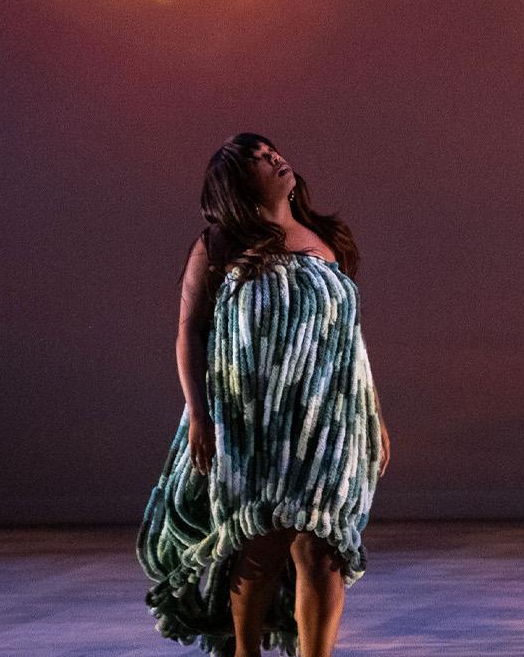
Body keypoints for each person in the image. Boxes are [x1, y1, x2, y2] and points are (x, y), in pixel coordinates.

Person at [139, 133, 388, 657]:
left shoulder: (325, 238)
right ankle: (245, 651)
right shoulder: (221, 244)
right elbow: (190, 332)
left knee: (325, 548)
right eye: (259, 160)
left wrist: (373, 415)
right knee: (263, 539)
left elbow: (349, 338)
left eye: (274, 152)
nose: (276, 159)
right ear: (236, 184)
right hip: (253, 419)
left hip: (327, 418)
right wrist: (200, 417)